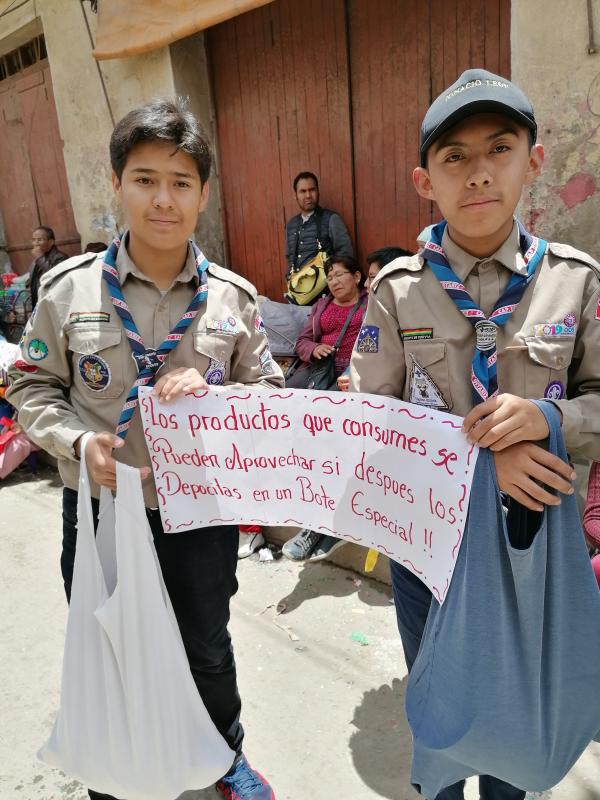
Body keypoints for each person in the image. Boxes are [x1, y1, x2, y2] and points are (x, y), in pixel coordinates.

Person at [8, 99, 282, 800]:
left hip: (200, 512)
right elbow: (31, 387)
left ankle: (224, 756)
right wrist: (80, 442)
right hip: (99, 506)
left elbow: (270, 398)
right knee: (113, 641)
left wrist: (216, 396)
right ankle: (116, 768)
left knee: (206, 643)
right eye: (146, 179)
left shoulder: (232, 299)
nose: (164, 199)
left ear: (203, 194)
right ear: (117, 184)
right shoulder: (68, 291)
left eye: (181, 182)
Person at [350, 68, 600, 800]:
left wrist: (549, 421)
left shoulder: (577, 282)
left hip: (535, 546)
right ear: (424, 181)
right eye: (454, 156)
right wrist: (484, 456)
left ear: (535, 161)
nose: (479, 172)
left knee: (514, 724)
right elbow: (369, 422)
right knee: (442, 710)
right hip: (431, 551)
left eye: (499, 148)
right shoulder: (397, 291)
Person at [283, 255, 367, 563]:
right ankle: (312, 519)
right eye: (330, 277)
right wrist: (315, 348)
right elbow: (302, 342)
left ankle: (327, 525)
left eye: (340, 274)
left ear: (357, 277)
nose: (334, 281)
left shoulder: (372, 304)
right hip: (320, 378)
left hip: (356, 382)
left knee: (337, 449)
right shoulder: (321, 306)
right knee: (309, 446)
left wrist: (357, 371)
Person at [337, 246, 412, 391]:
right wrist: (349, 375)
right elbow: (365, 355)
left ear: (394, 279)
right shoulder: (370, 313)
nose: (366, 284)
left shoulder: (415, 315)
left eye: (372, 277)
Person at [285, 171, 353, 282]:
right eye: (303, 191)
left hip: (326, 288)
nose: (308, 195)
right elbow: (290, 258)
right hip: (298, 289)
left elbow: (346, 256)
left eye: (312, 190)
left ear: (318, 192)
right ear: (295, 195)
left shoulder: (332, 219)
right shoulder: (291, 225)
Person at [29, 226, 68, 309]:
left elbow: (55, 275)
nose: (36, 243)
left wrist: (39, 258)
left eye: (40, 240)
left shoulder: (60, 257)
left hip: (54, 302)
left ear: (51, 242)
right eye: (33, 240)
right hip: (39, 302)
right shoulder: (39, 258)